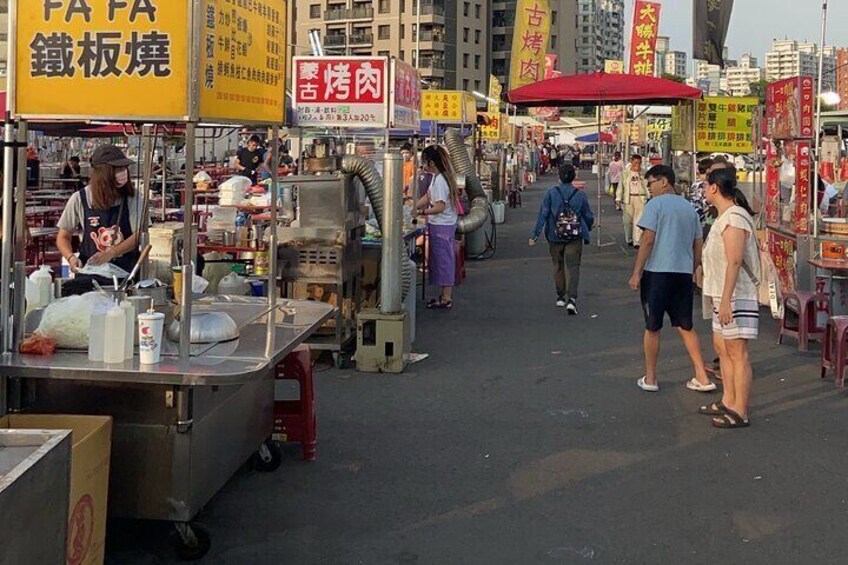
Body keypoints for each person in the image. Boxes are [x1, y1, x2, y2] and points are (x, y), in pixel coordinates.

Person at [628, 165, 714, 393]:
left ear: (664, 181)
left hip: (657, 272)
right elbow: (698, 243)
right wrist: (693, 267)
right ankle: (702, 376)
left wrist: (637, 271)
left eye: (651, 183)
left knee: (653, 326)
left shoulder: (655, 205)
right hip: (683, 273)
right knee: (685, 325)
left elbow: (648, 239)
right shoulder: (689, 208)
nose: (650, 188)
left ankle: (651, 377)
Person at [698, 167, 761, 428]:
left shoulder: (735, 218)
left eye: (705, 186)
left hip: (736, 295)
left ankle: (740, 409)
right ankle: (729, 399)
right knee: (723, 349)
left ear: (714, 188)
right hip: (721, 293)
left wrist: (725, 300)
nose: (703, 191)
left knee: (737, 352)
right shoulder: (725, 216)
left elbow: (735, 261)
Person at [56, 145, 143, 285]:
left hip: (125, 275)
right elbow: (63, 236)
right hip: (90, 276)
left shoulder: (133, 198)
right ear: (103, 173)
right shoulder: (80, 198)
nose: (123, 173)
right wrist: (71, 258)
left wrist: (111, 253)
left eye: (124, 168)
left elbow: (139, 235)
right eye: (118, 169)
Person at [530, 163, 595, 314]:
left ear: (559, 176)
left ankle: (560, 296)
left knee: (558, 265)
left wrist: (535, 234)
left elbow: (543, 214)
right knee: (573, 267)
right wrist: (589, 226)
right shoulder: (580, 195)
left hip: (554, 234)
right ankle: (572, 299)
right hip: (574, 235)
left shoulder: (551, 193)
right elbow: (588, 215)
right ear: (574, 176)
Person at [415, 145, 459, 310]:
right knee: (442, 261)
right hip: (440, 225)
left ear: (431, 163)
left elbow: (439, 206)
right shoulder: (438, 177)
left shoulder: (440, 180)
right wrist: (413, 208)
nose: (423, 165)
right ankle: (444, 296)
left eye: (424, 161)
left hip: (442, 226)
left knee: (444, 262)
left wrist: (422, 212)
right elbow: (428, 196)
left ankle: (446, 298)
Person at [616, 155, 648, 247]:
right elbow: (620, 186)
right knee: (628, 220)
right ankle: (629, 238)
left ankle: (637, 241)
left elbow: (646, 185)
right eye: (635, 163)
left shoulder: (643, 173)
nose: (637, 165)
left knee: (638, 220)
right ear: (632, 162)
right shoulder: (625, 173)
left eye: (639, 163)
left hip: (640, 197)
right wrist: (618, 198)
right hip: (628, 198)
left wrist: (640, 175)